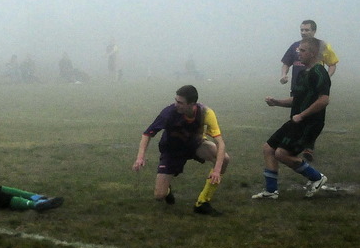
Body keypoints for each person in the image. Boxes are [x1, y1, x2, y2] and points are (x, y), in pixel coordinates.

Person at [132, 85, 230, 216]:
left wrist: (217, 170)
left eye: (180, 102)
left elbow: (220, 143)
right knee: (159, 195)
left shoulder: (206, 113)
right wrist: (140, 157)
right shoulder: (168, 113)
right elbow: (147, 134)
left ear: (192, 104)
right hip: (172, 150)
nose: (176, 105)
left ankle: (202, 202)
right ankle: (167, 190)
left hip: (195, 144)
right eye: (176, 100)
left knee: (224, 159)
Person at [254, 37, 330, 200]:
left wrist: (302, 115)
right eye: (298, 50)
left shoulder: (319, 72)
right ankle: (271, 191)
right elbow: (297, 100)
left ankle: (317, 177)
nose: (298, 53)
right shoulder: (302, 74)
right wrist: (276, 102)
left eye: (302, 51)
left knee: (281, 153)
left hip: (309, 123)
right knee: (269, 148)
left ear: (313, 53)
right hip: (297, 120)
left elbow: (324, 99)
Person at [279, 20, 339, 162]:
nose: (304, 32)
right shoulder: (295, 46)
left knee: (312, 115)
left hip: (314, 89)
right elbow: (286, 63)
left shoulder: (322, 46)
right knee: (296, 113)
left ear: (314, 31)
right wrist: (283, 75)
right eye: (302, 30)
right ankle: (294, 143)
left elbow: (332, 64)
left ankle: (308, 147)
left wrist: (326, 78)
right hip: (298, 86)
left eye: (307, 30)